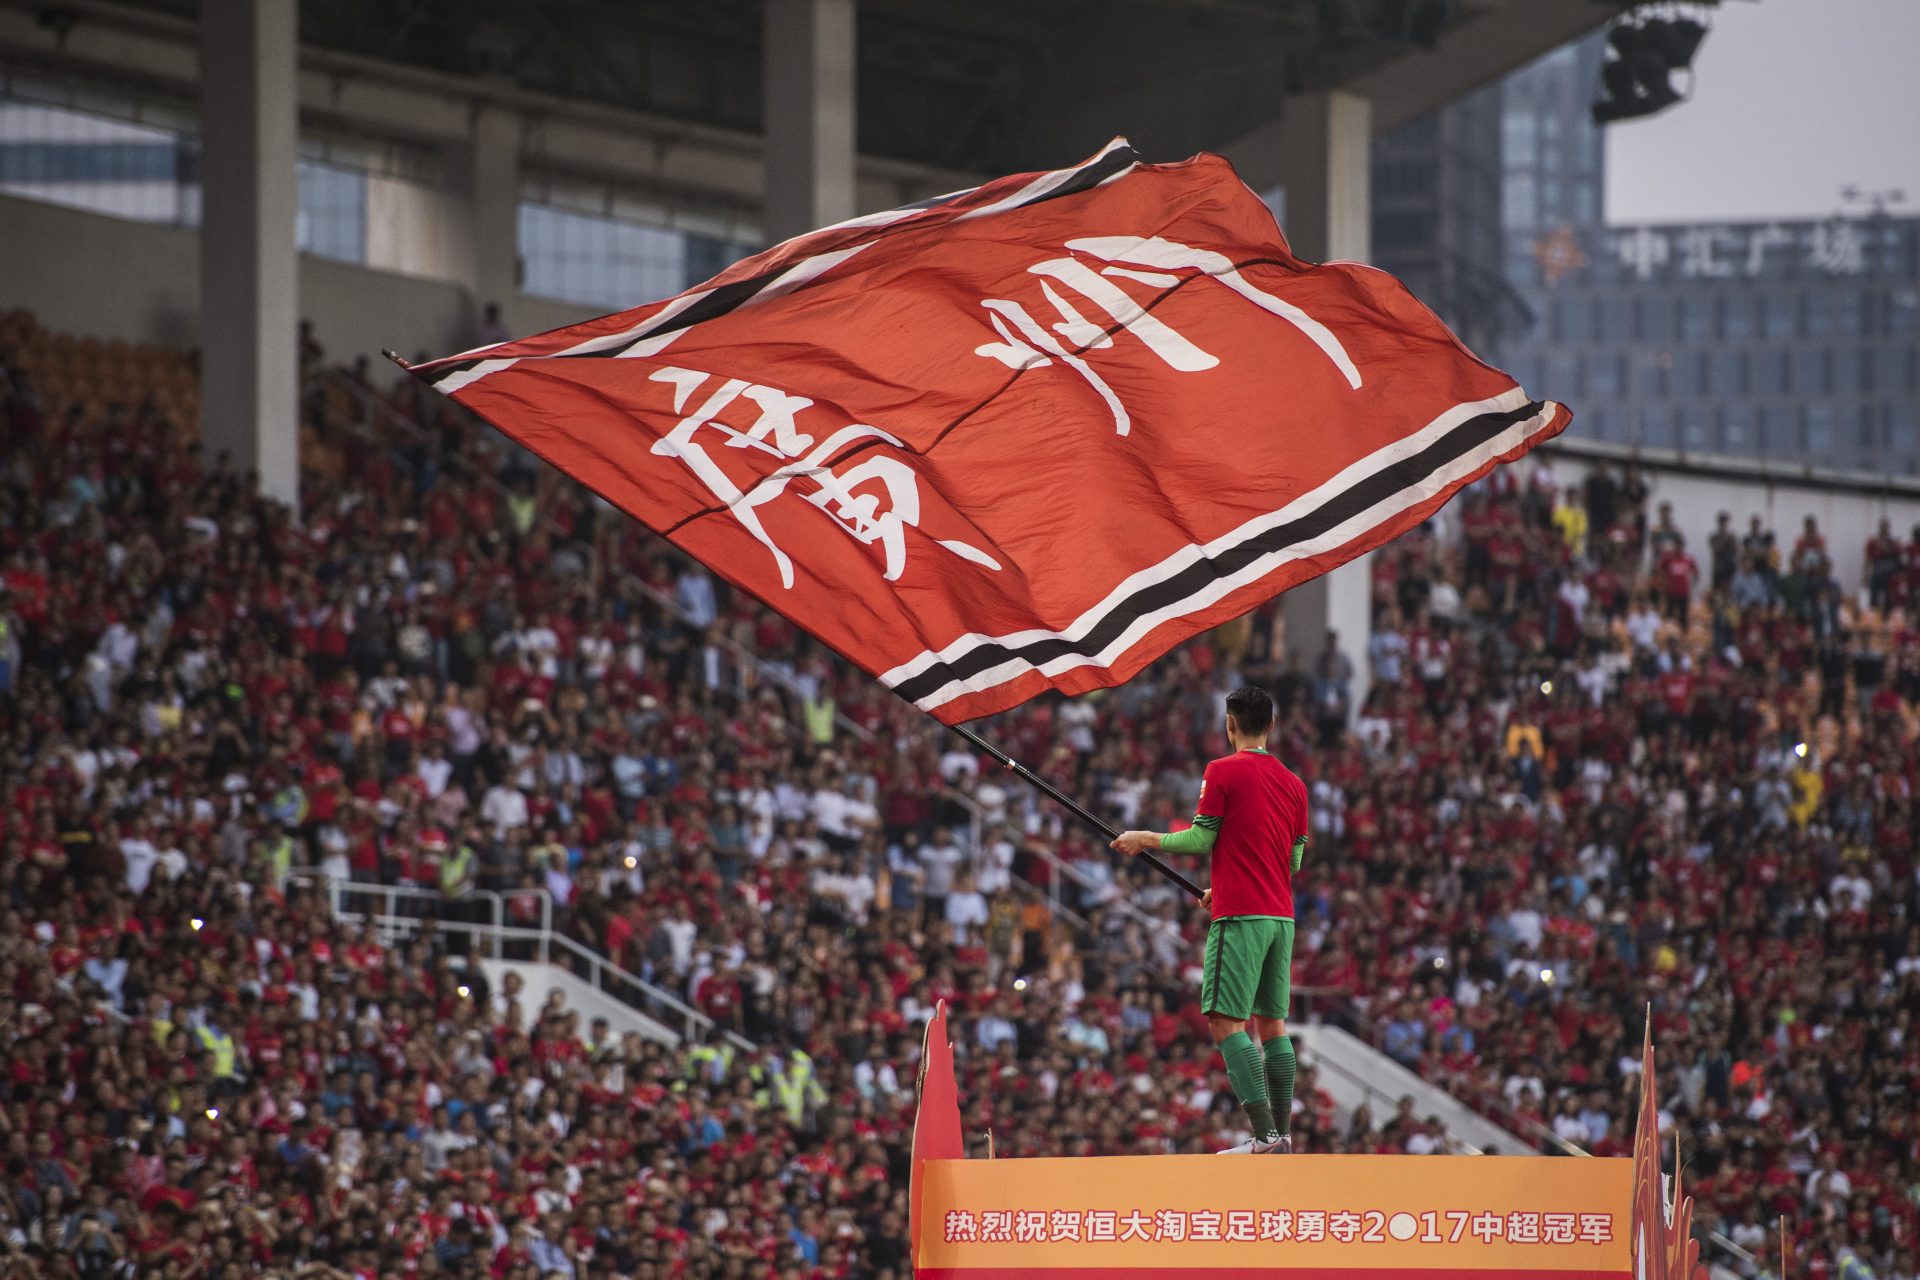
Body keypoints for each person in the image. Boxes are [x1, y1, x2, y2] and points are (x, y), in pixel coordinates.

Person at [1110, 685, 1309, 1154]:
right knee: (1273, 1026)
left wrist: (1147, 838)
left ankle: (1265, 1137)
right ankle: (1281, 1135)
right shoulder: (1295, 784)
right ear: (1272, 727)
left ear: (1230, 725)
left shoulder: (1222, 770)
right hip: (1281, 918)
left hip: (1241, 919)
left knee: (1226, 1024)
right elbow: (1293, 861)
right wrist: (1232, 883)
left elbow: (1200, 840)